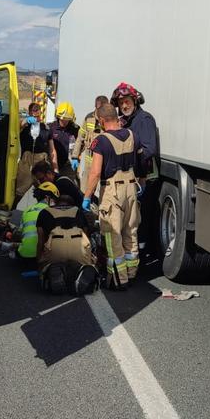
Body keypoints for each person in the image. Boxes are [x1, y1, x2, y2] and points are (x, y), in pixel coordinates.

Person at [82, 103, 140, 291]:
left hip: (112, 190)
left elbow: (95, 172)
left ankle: (118, 278)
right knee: (130, 231)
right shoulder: (132, 135)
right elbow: (142, 163)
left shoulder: (101, 141)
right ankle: (131, 274)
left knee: (112, 235)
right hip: (131, 186)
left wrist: (87, 196)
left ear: (101, 120)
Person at [112, 82, 160, 254]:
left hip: (144, 178)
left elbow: (149, 149)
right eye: (121, 102)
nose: (124, 105)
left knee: (139, 221)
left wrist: (127, 158)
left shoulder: (144, 119)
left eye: (127, 101)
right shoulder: (125, 122)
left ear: (135, 100)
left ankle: (141, 258)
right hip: (131, 177)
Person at [36, 194, 98, 295]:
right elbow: (86, 236)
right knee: (87, 263)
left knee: (47, 265)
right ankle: (82, 272)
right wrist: (91, 259)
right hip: (78, 245)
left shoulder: (44, 212)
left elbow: (40, 240)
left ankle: (52, 269)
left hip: (55, 246)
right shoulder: (77, 211)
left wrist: (40, 262)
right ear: (71, 205)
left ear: (56, 202)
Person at [17, 181, 59, 277]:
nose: (55, 203)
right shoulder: (50, 211)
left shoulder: (27, 210)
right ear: (48, 198)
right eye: (54, 200)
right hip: (39, 258)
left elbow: (20, 233)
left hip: (24, 256)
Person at [14, 102, 51, 208]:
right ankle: (10, 211)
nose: (35, 114)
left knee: (45, 190)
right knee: (19, 190)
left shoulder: (45, 128)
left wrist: (54, 166)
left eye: (37, 111)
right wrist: (26, 120)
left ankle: (45, 213)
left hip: (41, 160)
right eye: (33, 112)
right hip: (27, 159)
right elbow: (19, 125)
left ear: (40, 112)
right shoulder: (25, 126)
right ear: (29, 113)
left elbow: (52, 149)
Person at [71, 95, 106, 186]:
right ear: (95, 107)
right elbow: (80, 138)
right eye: (99, 109)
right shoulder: (89, 118)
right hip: (89, 166)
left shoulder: (110, 119)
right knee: (84, 192)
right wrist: (75, 156)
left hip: (104, 166)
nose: (101, 112)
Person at [48, 102, 80, 182]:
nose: (64, 122)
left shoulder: (75, 129)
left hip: (68, 164)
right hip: (52, 163)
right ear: (58, 117)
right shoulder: (50, 128)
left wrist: (76, 157)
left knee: (67, 186)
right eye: (62, 119)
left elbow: (80, 143)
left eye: (67, 120)